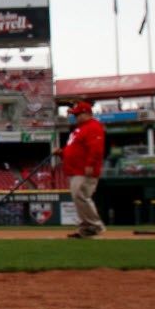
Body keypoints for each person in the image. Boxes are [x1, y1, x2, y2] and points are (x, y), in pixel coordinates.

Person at [62, 100, 106, 238]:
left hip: (84, 170)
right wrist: (62, 152)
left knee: (81, 196)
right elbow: (76, 148)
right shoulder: (80, 128)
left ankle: (95, 225)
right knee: (78, 197)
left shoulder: (93, 126)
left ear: (86, 113)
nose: (75, 117)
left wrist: (90, 164)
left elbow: (96, 148)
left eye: (77, 114)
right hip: (75, 170)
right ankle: (86, 228)